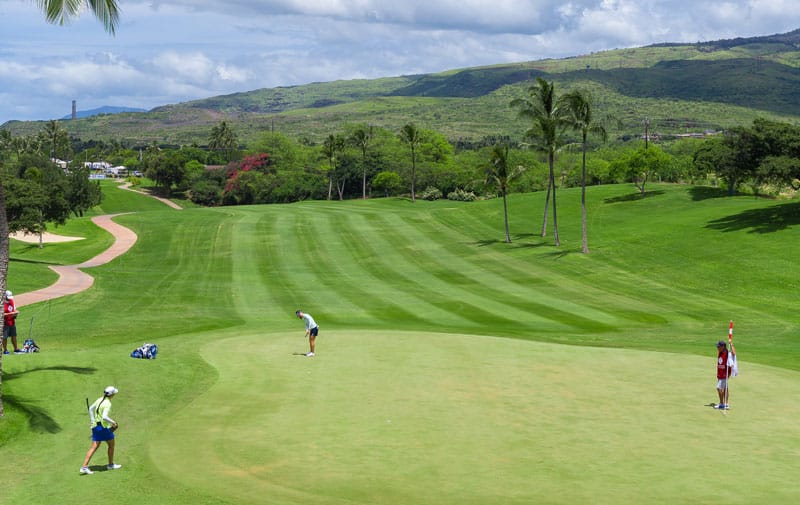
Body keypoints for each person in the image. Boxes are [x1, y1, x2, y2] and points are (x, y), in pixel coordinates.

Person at [80, 386, 122, 475]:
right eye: (114, 393)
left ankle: (84, 467)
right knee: (111, 444)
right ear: (111, 395)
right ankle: (110, 465)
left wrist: (92, 421)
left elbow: (91, 409)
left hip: (96, 426)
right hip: (103, 428)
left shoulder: (99, 399)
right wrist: (113, 422)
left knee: (94, 446)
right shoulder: (107, 403)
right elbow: (104, 417)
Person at [715, 340, 736, 410]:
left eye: (718, 346)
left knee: (719, 388)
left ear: (723, 346)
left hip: (724, 374)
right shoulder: (720, 352)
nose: (717, 347)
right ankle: (726, 404)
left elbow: (734, 353)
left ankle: (721, 404)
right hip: (720, 373)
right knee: (725, 388)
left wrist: (731, 344)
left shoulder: (727, 353)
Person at [2, 290, 21, 355]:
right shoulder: (2, 303)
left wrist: (15, 313)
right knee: (5, 337)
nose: (10, 299)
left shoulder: (12, 301)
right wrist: (11, 314)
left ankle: (16, 349)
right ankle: (5, 350)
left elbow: (14, 309)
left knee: (14, 336)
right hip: (4, 323)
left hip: (12, 322)